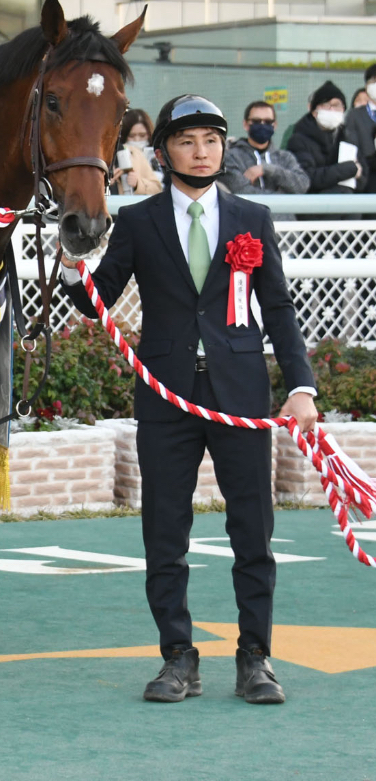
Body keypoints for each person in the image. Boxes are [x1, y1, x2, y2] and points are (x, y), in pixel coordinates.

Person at [59, 94, 317, 706]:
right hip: (165, 394)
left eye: (211, 140)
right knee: (164, 530)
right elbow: (99, 300)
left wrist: (301, 387)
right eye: (186, 141)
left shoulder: (253, 217)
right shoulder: (141, 221)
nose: (201, 152)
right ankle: (177, 656)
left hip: (243, 395)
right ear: (163, 151)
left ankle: (255, 657)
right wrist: (73, 264)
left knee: (253, 531)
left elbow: (277, 308)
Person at [223, 101, 310, 220]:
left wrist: (269, 169)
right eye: (256, 121)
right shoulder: (231, 157)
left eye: (268, 122)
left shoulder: (284, 157)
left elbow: (302, 185)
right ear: (246, 125)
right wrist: (285, 197)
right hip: (247, 232)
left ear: (275, 125)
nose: (262, 125)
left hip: (287, 234)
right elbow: (242, 192)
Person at [286, 81, 363, 195]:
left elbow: (362, 175)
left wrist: (359, 174)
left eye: (336, 105)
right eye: (326, 105)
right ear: (314, 112)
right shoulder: (298, 140)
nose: (332, 110)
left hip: (348, 203)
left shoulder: (349, 137)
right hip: (315, 205)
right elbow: (308, 178)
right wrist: (349, 169)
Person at [113, 107, 163, 195]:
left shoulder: (157, 154)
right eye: (132, 136)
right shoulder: (116, 153)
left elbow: (157, 188)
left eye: (142, 135)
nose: (137, 140)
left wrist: (138, 184)